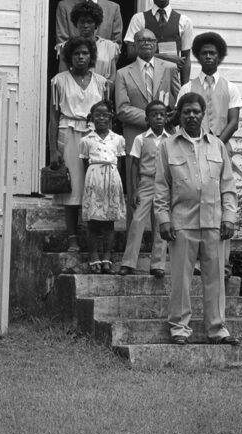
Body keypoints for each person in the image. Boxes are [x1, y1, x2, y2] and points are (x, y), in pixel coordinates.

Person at [155, 93, 240, 345]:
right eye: (186, 112)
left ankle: (217, 329)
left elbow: (228, 185)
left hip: (214, 223)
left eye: (196, 111)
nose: (191, 115)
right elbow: (161, 186)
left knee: (215, 279)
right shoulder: (167, 146)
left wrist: (229, 216)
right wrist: (163, 219)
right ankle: (179, 328)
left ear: (203, 114)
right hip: (182, 223)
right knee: (181, 280)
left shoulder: (218, 146)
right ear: (179, 115)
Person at [177, 31, 242, 277]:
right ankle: (194, 262)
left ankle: (221, 264)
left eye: (212, 53)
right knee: (194, 202)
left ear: (219, 56)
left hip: (220, 152)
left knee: (220, 206)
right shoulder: (187, 87)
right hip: (190, 151)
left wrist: (213, 144)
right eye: (204, 53)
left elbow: (233, 122)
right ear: (198, 56)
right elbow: (181, 119)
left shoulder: (231, 87)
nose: (208, 57)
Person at [48, 36, 111, 253]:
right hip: (69, 133)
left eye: (85, 53)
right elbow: (54, 117)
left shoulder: (102, 82)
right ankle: (72, 237)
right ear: (69, 57)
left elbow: (107, 115)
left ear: (91, 56)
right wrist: (53, 150)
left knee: (94, 185)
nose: (81, 57)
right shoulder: (59, 81)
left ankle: (94, 237)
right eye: (76, 53)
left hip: (95, 136)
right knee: (72, 187)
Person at [119, 100, 171, 277]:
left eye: (162, 115)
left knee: (160, 223)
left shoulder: (170, 140)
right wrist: (133, 190)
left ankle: (158, 265)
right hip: (146, 183)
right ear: (147, 119)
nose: (158, 117)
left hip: (163, 185)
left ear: (166, 118)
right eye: (154, 115)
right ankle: (128, 262)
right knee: (137, 221)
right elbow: (134, 165)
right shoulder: (140, 139)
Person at [78, 100, 126, 274]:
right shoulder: (86, 140)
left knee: (109, 222)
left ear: (111, 116)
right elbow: (85, 163)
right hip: (94, 179)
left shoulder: (118, 139)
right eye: (98, 115)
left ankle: (107, 256)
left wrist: (113, 180)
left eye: (105, 115)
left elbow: (118, 163)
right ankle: (93, 255)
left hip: (112, 179)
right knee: (93, 221)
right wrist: (92, 182)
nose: (101, 118)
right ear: (92, 118)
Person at [113, 28, 179, 152]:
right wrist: (153, 119)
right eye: (142, 40)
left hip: (165, 135)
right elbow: (122, 109)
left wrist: (170, 117)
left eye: (150, 40)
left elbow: (179, 102)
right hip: (135, 135)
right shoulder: (122, 73)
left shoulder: (170, 69)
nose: (146, 43)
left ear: (156, 44)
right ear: (134, 45)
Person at [124, 0, 194, 83]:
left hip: (171, 79)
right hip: (144, 77)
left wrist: (184, 89)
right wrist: (166, 58)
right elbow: (131, 53)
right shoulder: (139, 19)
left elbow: (186, 59)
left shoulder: (184, 21)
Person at [56, 1, 121, 82]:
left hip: (103, 91)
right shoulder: (66, 46)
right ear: (76, 23)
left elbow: (112, 77)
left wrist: (103, 92)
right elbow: (63, 77)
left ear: (96, 24)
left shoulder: (110, 46)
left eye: (89, 22)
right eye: (82, 22)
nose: (85, 25)